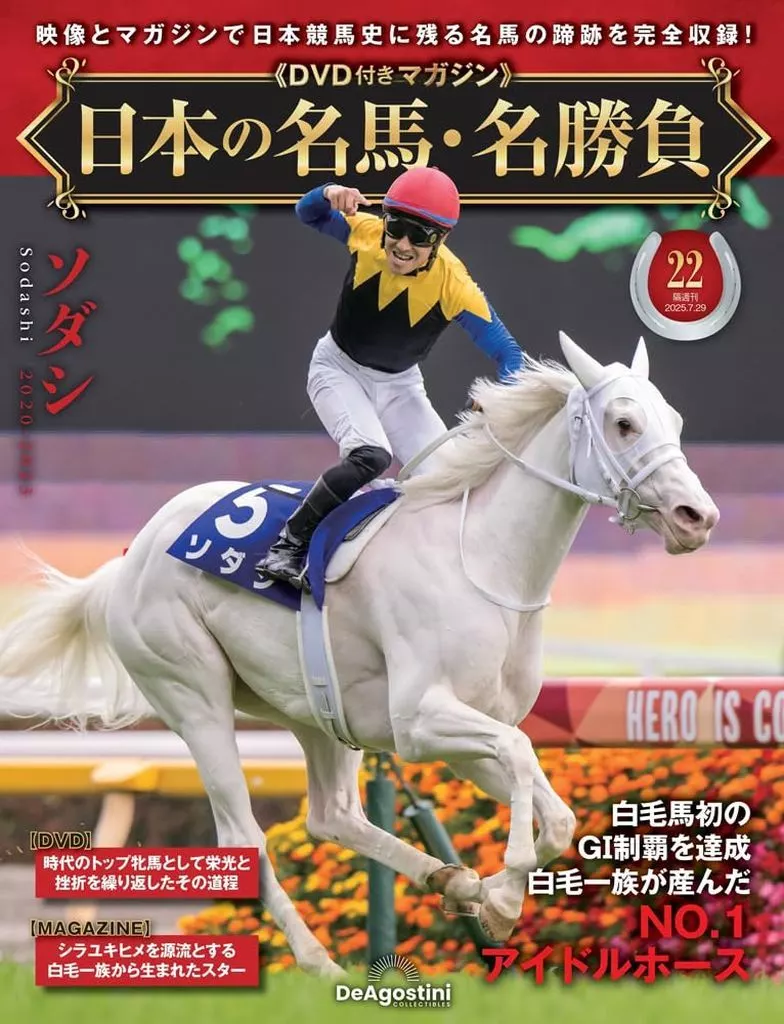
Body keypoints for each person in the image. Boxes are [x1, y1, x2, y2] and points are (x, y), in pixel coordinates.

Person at [255, 166, 525, 589]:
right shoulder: (366, 232)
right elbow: (307, 213)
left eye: (420, 237)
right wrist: (328, 192)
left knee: (452, 484)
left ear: (441, 240)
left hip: (400, 387)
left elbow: (511, 356)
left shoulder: (455, 284)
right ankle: (288, 546)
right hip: (337, 368)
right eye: (396, 227)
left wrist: (500, 398)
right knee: (370, 456)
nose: (402, 245)